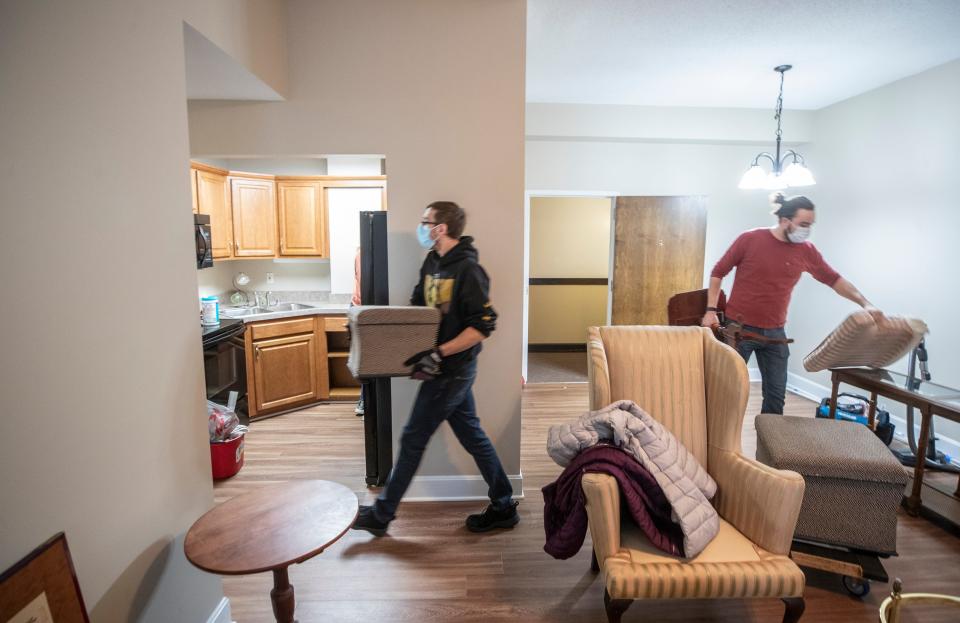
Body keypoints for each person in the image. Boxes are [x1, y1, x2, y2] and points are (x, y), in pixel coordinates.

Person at [352, 201, 518, 536]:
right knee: (473, 436)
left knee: (413, 437)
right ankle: (503, 504)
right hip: (442, 368)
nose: (422, 227)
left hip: (453, 369)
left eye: (425, 221)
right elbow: (419, 309)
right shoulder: (433, 262)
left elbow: (483, 326)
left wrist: (439, 353)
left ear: (440, 229)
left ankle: (382, 515)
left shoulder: (469, 270)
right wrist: (380, 333)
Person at [703, 192, 882, 414]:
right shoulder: (750, 239)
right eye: (803, 224)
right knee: (726, 393)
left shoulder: (806, 251)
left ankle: (767, 447)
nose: (807, 230)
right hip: (738, 331)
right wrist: (711, 310)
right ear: (785, 220)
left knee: (776, 398)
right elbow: (718, 272)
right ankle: (723, 446)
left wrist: (865, 303)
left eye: (810, 225)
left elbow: (834, 279)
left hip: (776, 335)